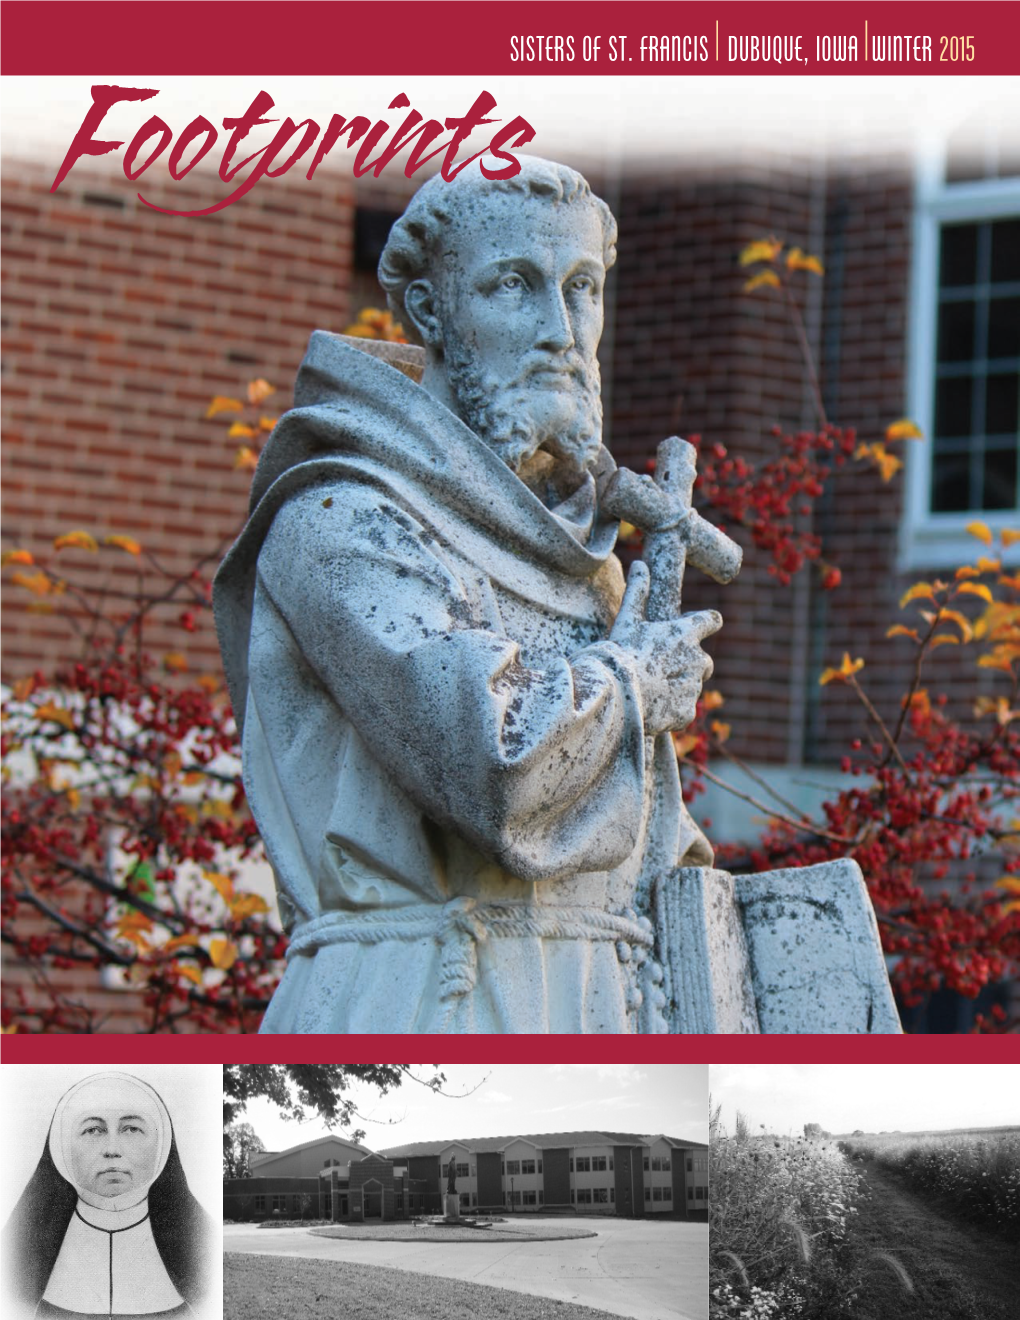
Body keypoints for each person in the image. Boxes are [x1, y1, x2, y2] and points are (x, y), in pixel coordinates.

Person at [214, 156, 722, 1033]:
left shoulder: (586, 562)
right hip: (418, 1003)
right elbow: (491, 767)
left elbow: (642, 850)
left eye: (583, 288)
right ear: (430, 312)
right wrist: (636, 684)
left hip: (604, 1010)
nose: (561, 330)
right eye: (514, 286)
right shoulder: (341, 518)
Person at [3, 1072, 214, 1318]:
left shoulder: (204, 1248)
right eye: (93, 1130)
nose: (112, 1150)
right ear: (62, 1147)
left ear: (162, 1144)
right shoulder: (13, 1259)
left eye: (132, 1129)